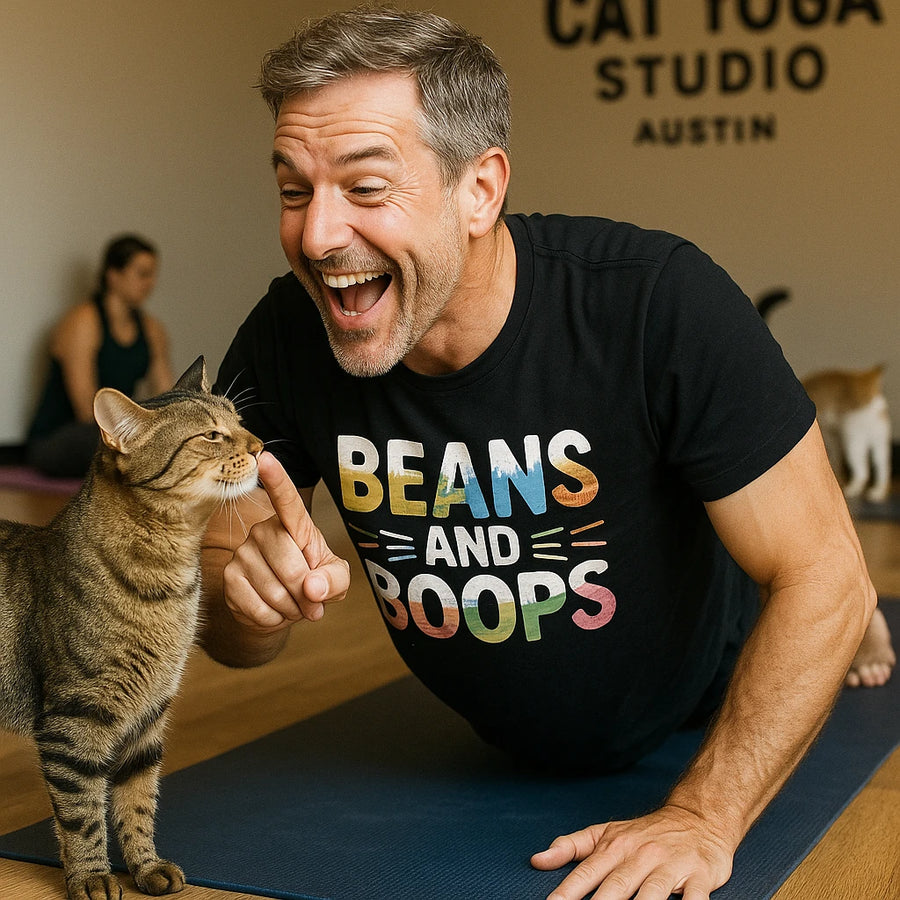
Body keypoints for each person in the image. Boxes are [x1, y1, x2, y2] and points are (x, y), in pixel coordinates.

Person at [200, 7, 896, 899]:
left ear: (481, 190)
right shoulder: (284, 339)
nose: (317, 234)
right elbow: (226, 634)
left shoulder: (656, 302)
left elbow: (823, 575)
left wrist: (704, 818)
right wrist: (243, 604)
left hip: (702, 676)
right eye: (294, 191)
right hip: (505, 743)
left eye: (366, 190)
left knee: (828, 587)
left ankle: (868, 629)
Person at [26, 234, 174, 477]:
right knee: (108, 443)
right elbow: (87, 410)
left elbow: (168, 396)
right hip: (63, 436)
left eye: (153, 275)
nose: (151, 283)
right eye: (142, 274)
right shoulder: (83, 321)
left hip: (115, 432)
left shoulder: (152, 329)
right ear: (113, 275)